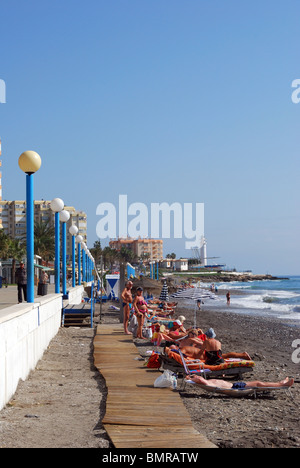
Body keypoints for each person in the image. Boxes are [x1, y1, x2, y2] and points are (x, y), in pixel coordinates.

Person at [189, 374, 294, 391]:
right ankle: (282, 384)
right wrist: (192, 378)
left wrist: (192, 377)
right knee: (259, 384)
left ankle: (280, 383)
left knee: (259, 383)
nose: (198, 376)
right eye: (196, 377)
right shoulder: (207, 383)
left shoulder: (208, 381)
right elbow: (200, 380)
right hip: (235, 388)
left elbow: (200, 379)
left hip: (236, 385)